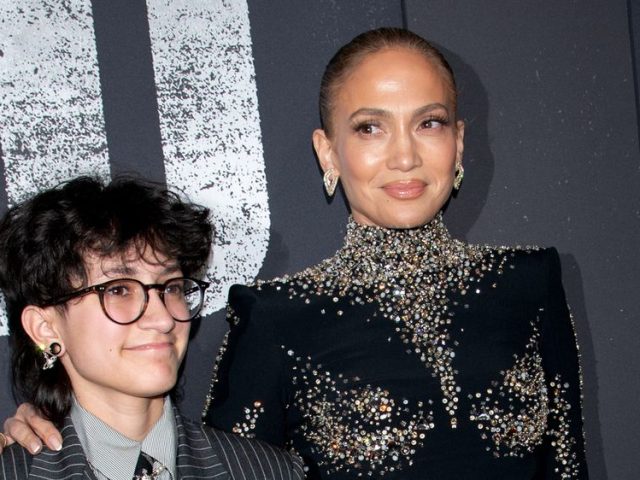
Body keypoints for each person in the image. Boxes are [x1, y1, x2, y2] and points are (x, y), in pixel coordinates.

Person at [2, 27, 588, 479]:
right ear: (327, 152)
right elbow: (206, 462)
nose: (405, 156)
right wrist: (57, 437)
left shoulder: (530, 283)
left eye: (429, 123)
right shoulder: (276, 317)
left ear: (458, 141)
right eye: (370, 128)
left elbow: (568, 465)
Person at [0, 177, 303, 479]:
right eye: (119, 290)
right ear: (45, 328)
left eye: (171, 288)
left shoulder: (268, 471)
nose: (164, 319)